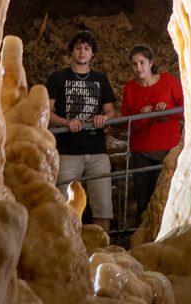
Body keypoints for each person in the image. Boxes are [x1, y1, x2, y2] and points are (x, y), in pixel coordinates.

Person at [46, 30, 116, 232]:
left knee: (103, 205)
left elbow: (111, 111)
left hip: (97, 150)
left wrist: (103, 117)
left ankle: (101, 251)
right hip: (68, 151)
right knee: (63, 205)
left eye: (87, 48)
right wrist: (66, 122)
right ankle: (66, 247)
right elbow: (47, 112)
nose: (82, 52)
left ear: (92, 53)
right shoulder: (58, 78)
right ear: (71, 52)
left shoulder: (101, 80)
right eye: (78, 48)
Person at [120, 44, 183, 221]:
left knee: (165, 195)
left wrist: (167, 109)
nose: (138, 68)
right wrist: (143, 116)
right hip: (141, 150)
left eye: (142, 62)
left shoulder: (168, 81)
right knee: (143, 197)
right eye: (134, 64)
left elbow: (185, 110)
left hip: (167, 149)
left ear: (151, 63)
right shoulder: (130, 88)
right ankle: (143, 237)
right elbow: (126, 122)